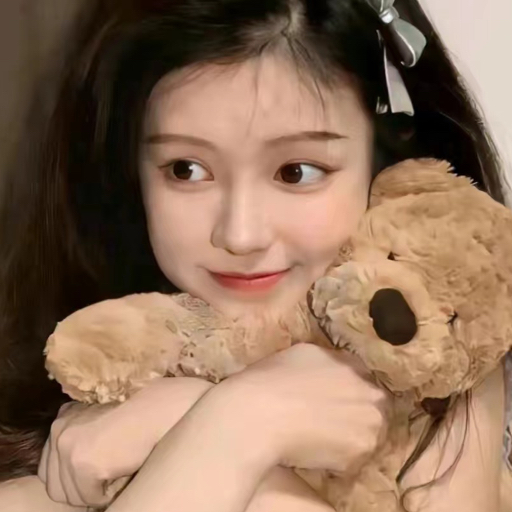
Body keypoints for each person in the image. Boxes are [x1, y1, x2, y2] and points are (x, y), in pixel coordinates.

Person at [0, 0, 508, 511]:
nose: (240, 236)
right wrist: (238, 424)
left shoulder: (447, 369)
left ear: (390, 161)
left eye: (296, 172)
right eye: (185, 170)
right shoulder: (74, 417)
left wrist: (225, 423)